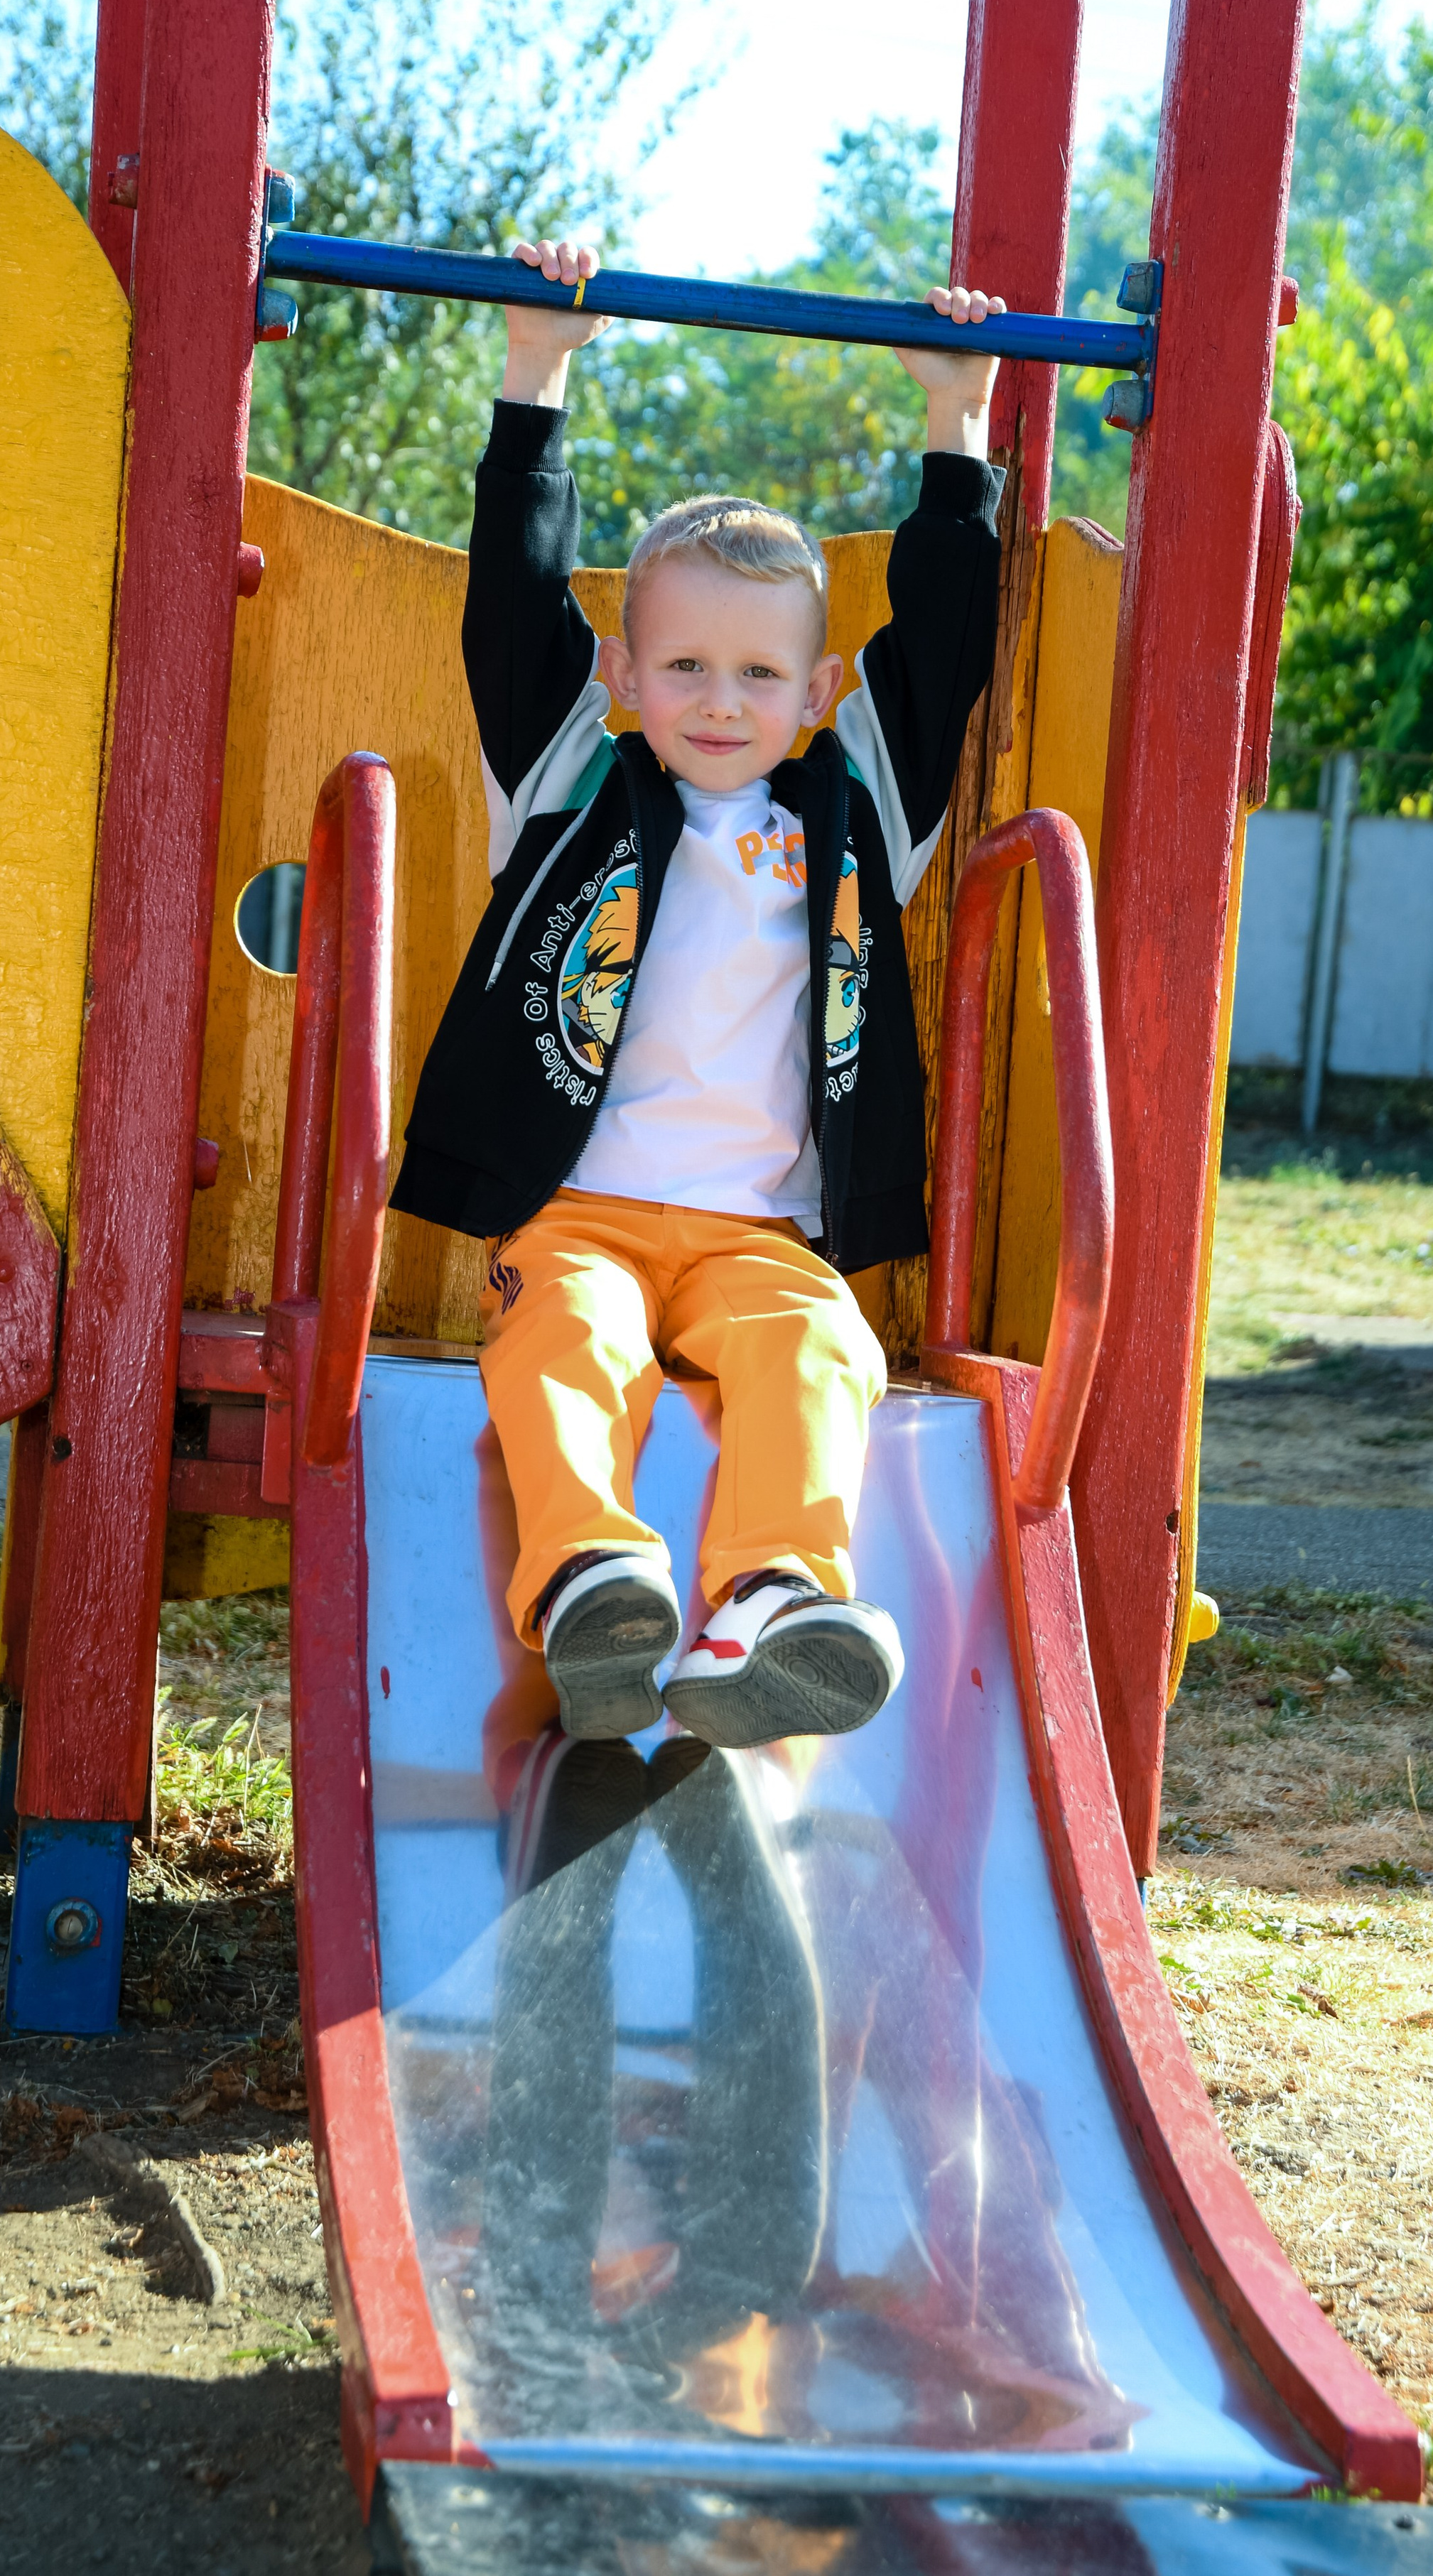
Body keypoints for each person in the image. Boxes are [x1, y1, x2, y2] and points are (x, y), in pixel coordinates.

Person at [389, 234, 1002, 1749]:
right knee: (558, 1342)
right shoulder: (565, 782)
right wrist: (535, 381)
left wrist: (958, 422)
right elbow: (508, 603)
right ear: (623, 672)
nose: (717, 702)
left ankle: (772, 1601)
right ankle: (593, 1574)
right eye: (682, 669)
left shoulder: (856, 817)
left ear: (815, 695)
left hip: (759, 1232)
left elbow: (940, 645)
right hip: (581, 1207)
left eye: (752, 676)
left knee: (824, 1352)